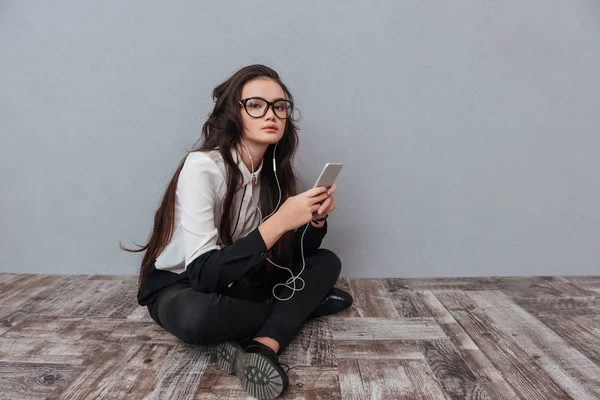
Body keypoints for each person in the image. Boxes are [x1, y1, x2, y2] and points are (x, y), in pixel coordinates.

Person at [121, 64, 353, 399]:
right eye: (256, 105)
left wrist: (313, 221)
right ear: (234, 113)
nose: (270, 114)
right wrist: (278, 222)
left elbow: (290, 256)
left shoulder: (273, 172)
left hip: (240, 282)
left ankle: (262, 345)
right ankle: (296, 311)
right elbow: (202, 276)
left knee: (326, 262)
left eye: (280, 106)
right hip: (183, 285)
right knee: (199, 319)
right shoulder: (203, 168)